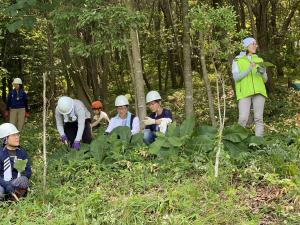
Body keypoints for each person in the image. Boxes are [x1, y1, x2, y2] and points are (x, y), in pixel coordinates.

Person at [232, 37, 268, 136]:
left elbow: (265, 80)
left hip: (259, 91)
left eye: (256, 44)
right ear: (246, 46)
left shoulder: (259, 59)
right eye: (253, 44)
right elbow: (236, 78)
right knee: (243, 118)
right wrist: (249, 68)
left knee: (258, 118)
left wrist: (263, 72)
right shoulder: (237, 60)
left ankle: (258, 143)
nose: (256, 46)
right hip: (244, 92)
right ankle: (238, 141)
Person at [0, 123, 31, 201]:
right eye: (13, 135)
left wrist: (19, 168)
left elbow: (27, 172)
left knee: (23, 179)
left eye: (17, 135)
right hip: (2, 183)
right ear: (5, 139)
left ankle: (14, 200)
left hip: (15, 182)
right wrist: (6, 184)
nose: (17, 137)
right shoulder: (0, 153)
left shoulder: (21, 153)